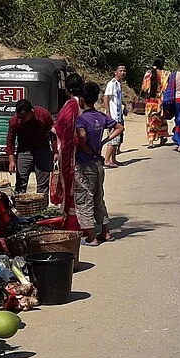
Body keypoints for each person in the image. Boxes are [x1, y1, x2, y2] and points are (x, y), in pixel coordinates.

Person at [75, 82, 119, 246]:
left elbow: (81, 135)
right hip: (98, 163)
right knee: (99, 197)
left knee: (84, 199)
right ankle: (105, 232)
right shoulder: (100, 117)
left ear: (81, 100)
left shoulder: (81, 119)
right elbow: (119, 127)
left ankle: (92, 236)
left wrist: (85, 148)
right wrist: (103, 142)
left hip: (84, 164)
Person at [52, 73, 86, 231]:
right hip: (85, 152)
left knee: (71, 186)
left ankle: (73, 223)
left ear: (68, 89)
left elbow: (60, 128)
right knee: (84, 187)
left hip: (70, 153)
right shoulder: (85, 103)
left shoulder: (70, 105)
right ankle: (87, 223)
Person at [5, 98, 56, 194]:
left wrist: (55, 151)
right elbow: (10, 141)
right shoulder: (14, 121)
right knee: (21, 182)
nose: (21, 119)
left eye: (23, 117)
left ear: (31, 112)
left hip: (42, 149)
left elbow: (53, 134)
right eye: (19, 116)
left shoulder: (43, 115)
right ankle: (20, 206)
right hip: (24, 150)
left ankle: (42, 207)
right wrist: (11, 160)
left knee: (43, 183)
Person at [142, 57, 170, 147]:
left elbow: (145, 88)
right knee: (162, 120)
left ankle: (151, 141)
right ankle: (162, 137)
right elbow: (166, 88)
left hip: (151, 101)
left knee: (151, 121)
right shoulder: (166, 74)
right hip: (161, 100)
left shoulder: (148, 73)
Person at [102, 65, 127, 167]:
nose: (122, 73)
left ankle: (113, 159)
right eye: (120, 71)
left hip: (119, 115)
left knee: (117, 139)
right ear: (115, 72)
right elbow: (106, 97)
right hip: (113, 116)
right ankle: (107, 159)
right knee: (113, 139)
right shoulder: (111, 84)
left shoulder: (118, 84)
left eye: (124, 71)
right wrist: (108, 113)